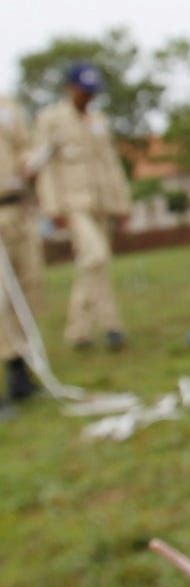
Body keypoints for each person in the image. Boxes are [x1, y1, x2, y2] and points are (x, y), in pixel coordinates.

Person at [36, 62, 131, 351]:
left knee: (90, 264)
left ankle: (78, 332)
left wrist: (122, 203)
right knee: (97, 256)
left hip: (101, 204)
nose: (87, 98)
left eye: (91, 92)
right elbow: (45, 166)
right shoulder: (51, 120)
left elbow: (111, 165)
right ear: (69, 88)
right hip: (73, 205)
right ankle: (112, 326)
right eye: (82, 91)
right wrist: (53, 208)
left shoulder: (98, 121)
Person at [0, 93, 44, 410]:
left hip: (18, 207)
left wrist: (30, 160)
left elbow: (24, 145)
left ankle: (19, 367)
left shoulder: (8, 107)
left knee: (28, 285)